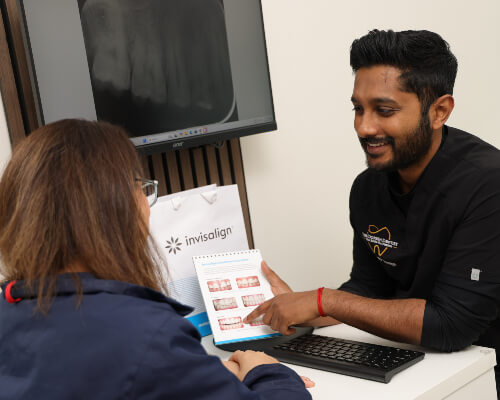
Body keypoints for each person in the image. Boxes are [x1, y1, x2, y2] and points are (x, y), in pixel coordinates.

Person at [245, 29, 500, 393]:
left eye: (384, 110)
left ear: (439, 111)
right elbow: (369, 290)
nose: (364, 127)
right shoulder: (368, 188)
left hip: (483, 372)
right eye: (358, 108)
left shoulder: (488, 184)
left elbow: (452, 326)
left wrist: (322, 299)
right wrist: (300, 309)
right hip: (422, 370)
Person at [0, 119, 312, 399]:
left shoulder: (9, 309)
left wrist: (197, 374)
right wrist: (266, 370)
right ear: (116, 208)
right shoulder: (144, 335)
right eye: (142, 188)